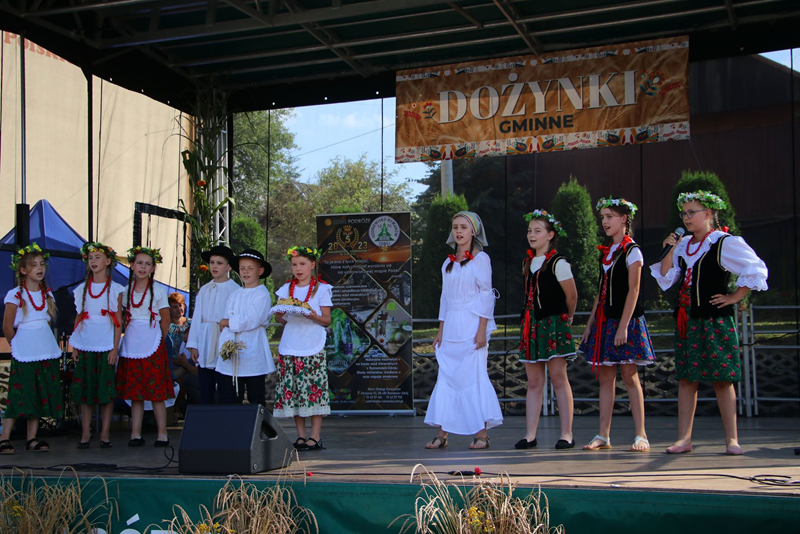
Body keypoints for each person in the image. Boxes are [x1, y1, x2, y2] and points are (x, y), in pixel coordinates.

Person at [651, 190, 768, 455]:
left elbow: (756, 267)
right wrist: (669, 249)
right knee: (686, 379)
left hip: (715, 320)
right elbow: (666, 277)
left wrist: (734, 296)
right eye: (684, 213)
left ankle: (732, 439)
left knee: (722, 378)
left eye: (692, 212)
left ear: (708, 214)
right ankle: (684, 439)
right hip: (687, 319)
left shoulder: (723, 242)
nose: (686, 218)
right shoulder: (683, 245)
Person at [580, 198, 655, 452]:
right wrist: (590, 322)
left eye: (610, 216)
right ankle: (603, 434)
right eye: (603, 217)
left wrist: (623, 326)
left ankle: (641, 434)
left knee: (630, 374)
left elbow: (634, 290)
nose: (605, 221)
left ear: (624, 219)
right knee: (605, 377)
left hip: (626, 321)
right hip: (605, 321)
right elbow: (601, 291)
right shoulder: (606, 252)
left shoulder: (632, 251)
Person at [424, 211, 502, 450]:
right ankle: (442, 434)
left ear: (473, 231)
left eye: (463, 227)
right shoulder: (447, 263)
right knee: (447, 377)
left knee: (473, 377)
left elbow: (486, 294)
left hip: (472, 324)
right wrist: (441, 329)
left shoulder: (481, 259)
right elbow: (445, 298)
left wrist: (481, 330)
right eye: (455, 227)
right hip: (452, 327)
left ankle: (482, 434)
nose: (458, 231)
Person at [516, 210, 577, 450]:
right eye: (529, 231)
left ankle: (567, 434)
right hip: (531, 325)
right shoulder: (527, 262)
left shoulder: (559, 263)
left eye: (537, 231)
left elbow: (571, 296)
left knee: (559, 378)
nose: (532, 235)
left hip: (553, 323)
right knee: (533, 381)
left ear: (550, 235)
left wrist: (566, 318)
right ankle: (530, 435)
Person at [0, 243, 61, 453]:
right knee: (19, 393)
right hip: (24, 350)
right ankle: (4, 438)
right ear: (23, 270)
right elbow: (7, 326)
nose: (39, 268)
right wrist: (16, 346)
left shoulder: (47, 295)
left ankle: (31, 438)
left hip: (44, 348)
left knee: (38, 393)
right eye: (33, 265)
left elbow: (47, 323)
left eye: (42, 264)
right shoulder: (15, 294)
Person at [273, 246, 332, 451]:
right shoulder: (286, 289)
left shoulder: (322, 289)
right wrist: (279, 315)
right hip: (291, 344)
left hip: (312, 345)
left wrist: (312, 315)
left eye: (302, 264)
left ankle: (315, 436)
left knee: (314, 389)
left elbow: (326, 320)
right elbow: (282, 319)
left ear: (312, 265)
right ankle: (300, 435)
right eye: (294, 265)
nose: (298, 269)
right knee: (296, 390)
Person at [117, 246, 173, 447]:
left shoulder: (157, 290)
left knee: (155, 391)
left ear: (153, 268)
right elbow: (122, 317)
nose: (143, 267)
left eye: (147, 264)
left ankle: (162, 432)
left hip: (152, 341)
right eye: (139, 263)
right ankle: (135, 433)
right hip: (132, 341)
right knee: (135, 392)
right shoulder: (125, 291)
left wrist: (158, 341)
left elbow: (165, 319)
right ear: (131, 265)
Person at [70, 242, 124, 449]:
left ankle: (105, 433)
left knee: (106, 392)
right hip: (85, 344)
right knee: (86, 392)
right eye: (90, 258)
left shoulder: (115, 289)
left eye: (98, 257)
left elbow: (118, 321)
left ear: (108, 261)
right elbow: (78, 318)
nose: (93, 261)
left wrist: (114, 348)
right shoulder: (81, 289)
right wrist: (75, 346)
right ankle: (85, 433)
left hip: (105, 345)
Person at [215, 249, 274, 405]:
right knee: (230, 398)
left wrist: (228, 322)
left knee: (255, 397)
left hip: (253, 350)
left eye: (250, 268)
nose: (245, 272)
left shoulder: (262, 294)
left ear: (260, 271)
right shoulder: (235, 294)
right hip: (232, 353)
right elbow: (228, 318)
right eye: (242, 268)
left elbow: (251, 320)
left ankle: (256, 422)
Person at [187, 244, 240, 404]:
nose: (214, 266)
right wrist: (194, 345)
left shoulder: (235, 290)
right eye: (212, 262)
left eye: (219, 263)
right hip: (205, 339)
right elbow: (197, 317)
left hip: (224, 338)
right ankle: (206, 414)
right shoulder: (205, 289)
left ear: (229, 266)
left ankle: (226, 415)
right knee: (205, 386)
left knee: (225, 386)